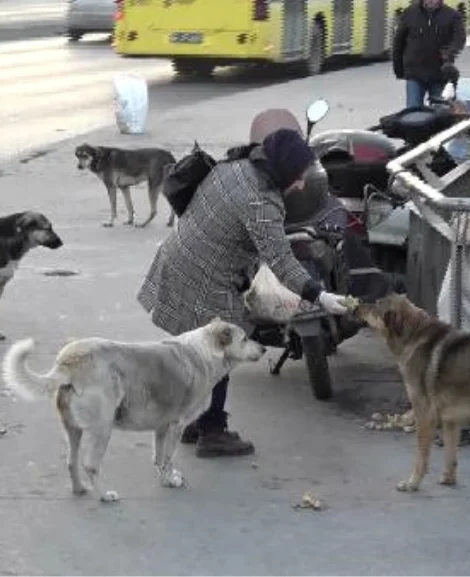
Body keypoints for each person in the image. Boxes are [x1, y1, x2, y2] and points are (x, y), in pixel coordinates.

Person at [137, 128, 354, 458]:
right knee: (222, 350)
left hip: (179, 258)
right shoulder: (261, 201)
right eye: (297, 178)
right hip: (205, 279)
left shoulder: (235, 166)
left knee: (198, 354)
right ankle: (213, 431)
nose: (298, 185)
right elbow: (281, 260)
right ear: (283, 170)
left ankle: (194, 420)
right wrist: (320, 295)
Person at [392, 0, 468, 109]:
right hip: (415, 73)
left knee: (440, 112)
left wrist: (449, 52)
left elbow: (460, 39)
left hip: (440, 74)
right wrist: (398, 69)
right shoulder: (410, 12)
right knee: (413, 111)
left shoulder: (452, 15)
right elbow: (399, 42)